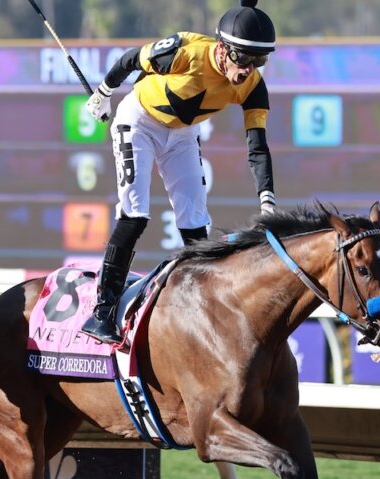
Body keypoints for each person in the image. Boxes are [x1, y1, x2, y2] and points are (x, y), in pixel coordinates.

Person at [80, 0, 278, 344]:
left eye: (258, 60)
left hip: (183, 133)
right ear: (222, 48)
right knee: (135, 215)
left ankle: (203, 307)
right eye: (243, 58)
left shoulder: (252, 85)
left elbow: (257, 146)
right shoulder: (186, 51)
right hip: (138, 121)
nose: (248, 69)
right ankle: (102, 312)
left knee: (195, 223)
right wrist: (103, 94)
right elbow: (130, 59)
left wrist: (267, 202)